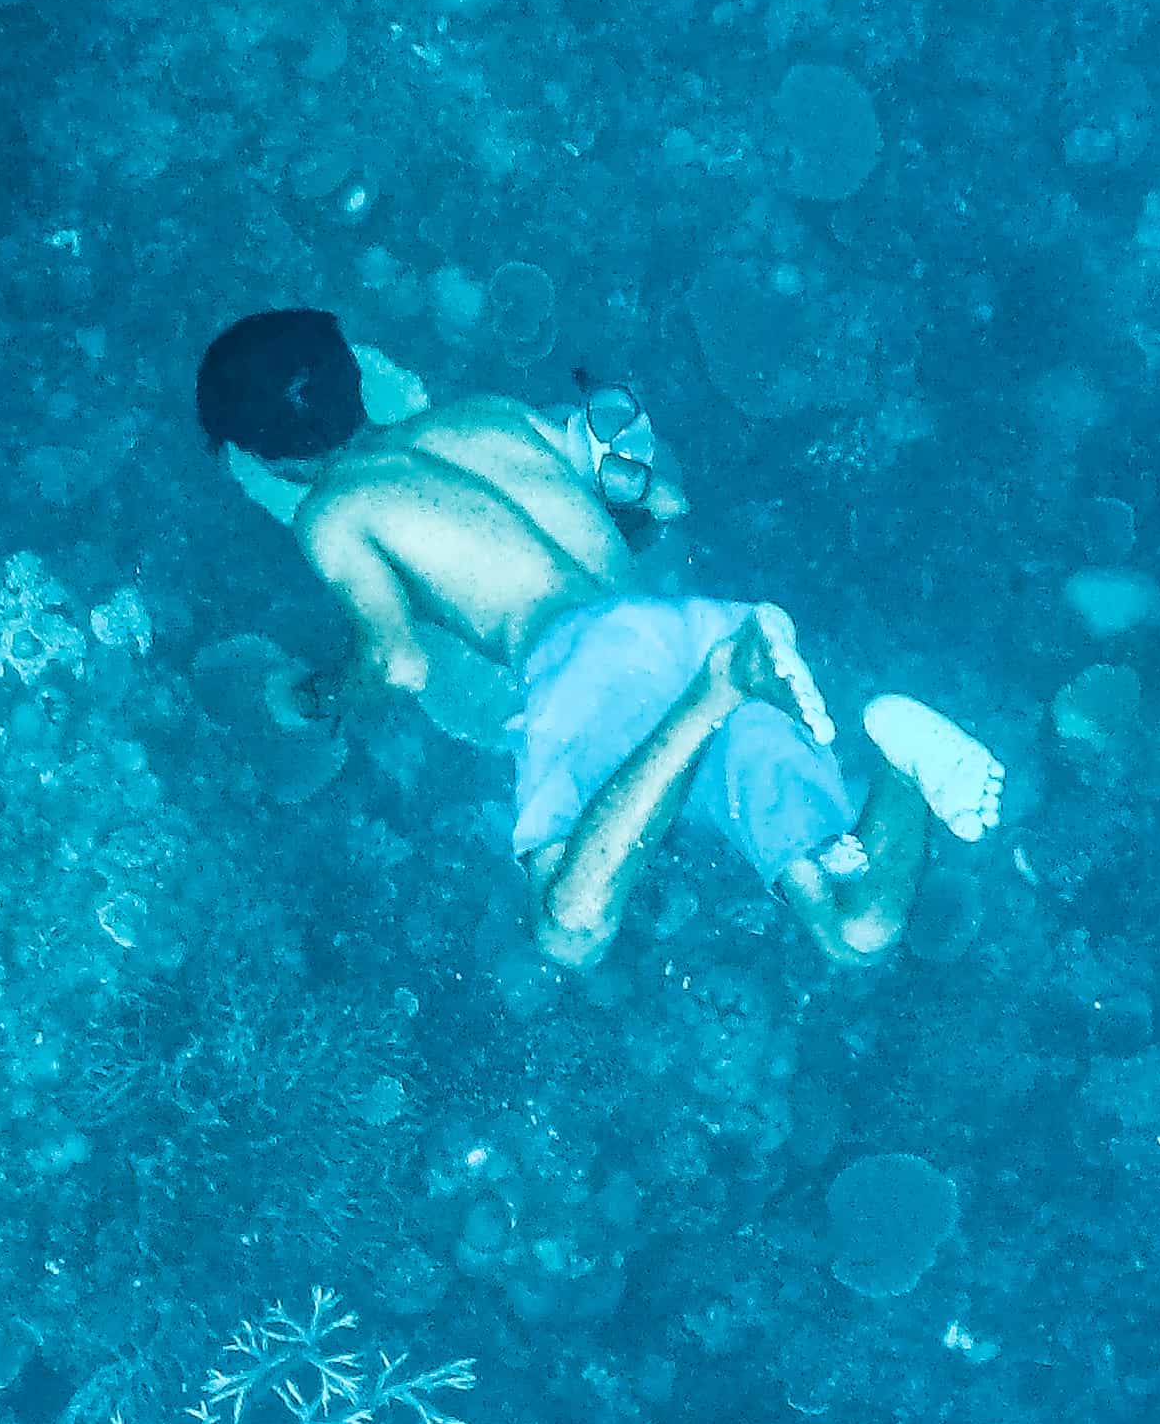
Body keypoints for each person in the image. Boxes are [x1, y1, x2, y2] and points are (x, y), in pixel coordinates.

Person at [196, 306, 1000, 972]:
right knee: (853, 927)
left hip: (589, 657)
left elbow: (398, 665)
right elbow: (666, 502)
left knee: (568, 930)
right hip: (693, 624)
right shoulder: (487, 417)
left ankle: (717, 692)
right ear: (356, 377)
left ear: (267, 458)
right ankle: (899, 764)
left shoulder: (333, 510)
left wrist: (313, 698)